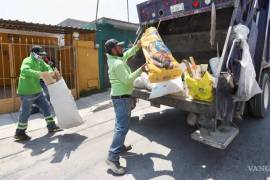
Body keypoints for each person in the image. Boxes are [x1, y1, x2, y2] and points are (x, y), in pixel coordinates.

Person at [104, 38, 147, 175]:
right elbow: (128, 79)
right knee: (122, 127)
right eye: (119, 47)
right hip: (122, 99)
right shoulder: (117, 63)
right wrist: (142, 69)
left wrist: (137, 46)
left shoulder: (116, 58)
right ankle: (112, 157)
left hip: (121, 97)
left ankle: (119, 147)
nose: (122, 48)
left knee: (122, 125)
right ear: (113, 50)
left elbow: (127, 54)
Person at [14, 45, 61, 141]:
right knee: (25, 112)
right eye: (39, 55)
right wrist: (39, 74)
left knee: (46, 106)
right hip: (27, 91)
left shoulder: (40, 61)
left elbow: (47, 67)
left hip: (37, 90)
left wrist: (49, 72)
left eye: (41, 55)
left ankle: (51, 126)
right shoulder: (27, 61)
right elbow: (24, 70)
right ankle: (19, 133)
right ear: (33, 53)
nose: (41, 57)